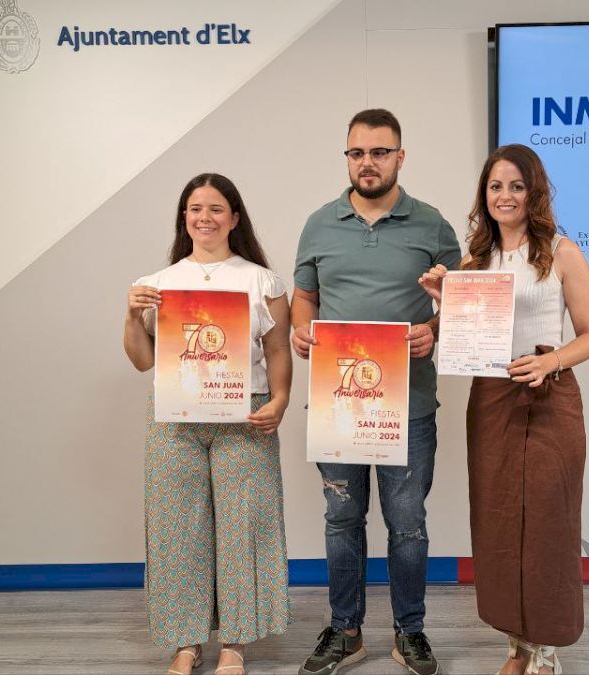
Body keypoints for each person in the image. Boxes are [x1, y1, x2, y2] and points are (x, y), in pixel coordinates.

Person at [419, 144, 589, 675]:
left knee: (548, 522)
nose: (505, 196)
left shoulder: (563, 253)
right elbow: (463, 335)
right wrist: (442, 300)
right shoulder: (474, 262)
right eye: (496, 186)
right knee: (498, 523)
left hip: (549, 396)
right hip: (493, 400)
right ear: (485, 195)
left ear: (533, 193)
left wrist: (550, 362)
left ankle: (546, 650)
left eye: (516, 187)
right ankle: (516, 645)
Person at [291, 109, 461, 675]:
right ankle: (346, 632)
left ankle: (410, 632)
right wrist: (300, 330)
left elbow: (464, 302)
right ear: (347, 158)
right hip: (338, 405)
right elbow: (305, 296)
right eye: (357, 153)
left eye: (380, 152)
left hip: (408, 406)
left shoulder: (432, 225)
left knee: (407, 525)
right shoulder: (319, 224)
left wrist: (435, 328)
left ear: (400, 157)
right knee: (342, 520)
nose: (368, 162)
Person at [124, 173, 292, 675]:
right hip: (175, 418)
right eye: (196, 208)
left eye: (217, 208)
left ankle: (235, 643)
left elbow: (278, 349)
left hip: (244, 413)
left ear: (234, 218)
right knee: (177, 527)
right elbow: (142, 360)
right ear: (184, 218)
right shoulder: (156, 284)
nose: (205, 217)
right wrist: (131, 317)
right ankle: (186, 640)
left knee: (244, 525)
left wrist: (281, 399)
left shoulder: (263, 281)